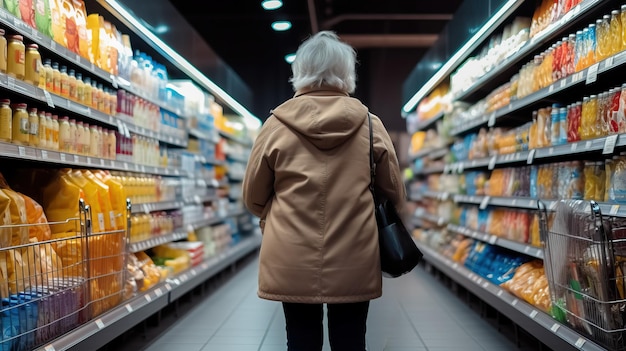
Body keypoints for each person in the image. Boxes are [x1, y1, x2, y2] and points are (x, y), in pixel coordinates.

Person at [242, 30, 406, 351]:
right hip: (355, 253)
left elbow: (253, 196)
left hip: (291, 254)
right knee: (350, 341)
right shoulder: (370, 125)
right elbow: (394, 193)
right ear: (346, 73)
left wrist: (279, 212)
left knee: (300, 341)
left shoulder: (275, 125)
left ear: (300, 72)